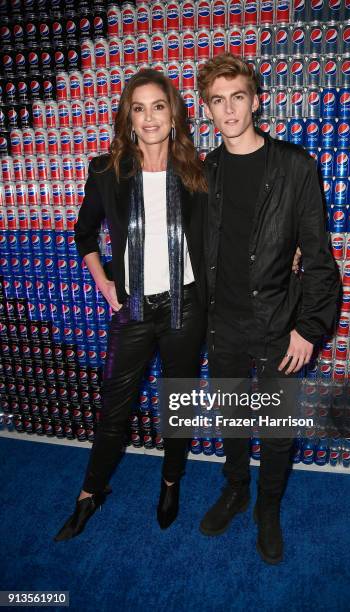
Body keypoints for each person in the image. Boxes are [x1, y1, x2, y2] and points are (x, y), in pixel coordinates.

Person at [197, 54, 340, 564]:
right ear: (207, 109)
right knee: (234, 420)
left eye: (238, 96)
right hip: (224, 324)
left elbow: (319, 257)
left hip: (281, 324)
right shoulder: (203, 172)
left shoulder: (297, 166)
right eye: (218, 100)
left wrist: (309, 329)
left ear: (257, 101)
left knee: (278, 430)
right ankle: (236, 490)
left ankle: (268, 508)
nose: (229, 109)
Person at [54, 69, 208, 541]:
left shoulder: (198, 170)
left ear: (173, 112)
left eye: (157, 106)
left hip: (187, 307)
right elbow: (84, 233)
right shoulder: (106, 169)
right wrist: (103, 281)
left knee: (177, 405)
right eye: (138, 108)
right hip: (134, 308)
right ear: (128, 116)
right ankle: (90, 492)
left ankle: (169, 482)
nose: (149, 117)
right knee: (114, 410)